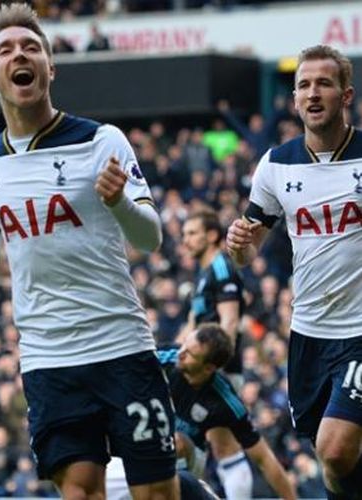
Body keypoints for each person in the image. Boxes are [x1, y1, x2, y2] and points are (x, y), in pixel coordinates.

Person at [0, 3, 181, 498]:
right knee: (80, 491)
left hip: (121, 346)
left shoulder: (99, 140)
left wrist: (119, 204)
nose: (19, 55)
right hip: (48, 358)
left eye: (32, 47)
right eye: (5, 50)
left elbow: (149, 237)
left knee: (156, 493)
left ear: (51, 66)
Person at [226, 44, 362, 499]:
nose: (312, 92)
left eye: (324, 83)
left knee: (337, 447)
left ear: (346, 95)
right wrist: (240, 247)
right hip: (309, 333)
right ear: (295, 99)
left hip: (359, 330)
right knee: (334, 462)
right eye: (304, 85)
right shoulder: (276, 165)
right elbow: (249, 250)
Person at [159, 324, 296, 499]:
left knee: (176, 441)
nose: (181, 353)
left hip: (188, 456)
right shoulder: (167, 357)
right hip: (148, 444)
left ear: (208, 367)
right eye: (185, 344)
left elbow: (264, 459)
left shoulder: (226, 401)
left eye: (190, 353)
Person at [181, 208, 252, 497]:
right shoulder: (203, 274)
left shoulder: (221, 267)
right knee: (209, 442)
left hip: (216, 369)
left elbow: (230, 322)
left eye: (192, 233)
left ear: (211, 236)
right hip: (202, 368)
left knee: (223, 445)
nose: (186, 240)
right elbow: (192, 326)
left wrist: (215, 368)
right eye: (184, 234)